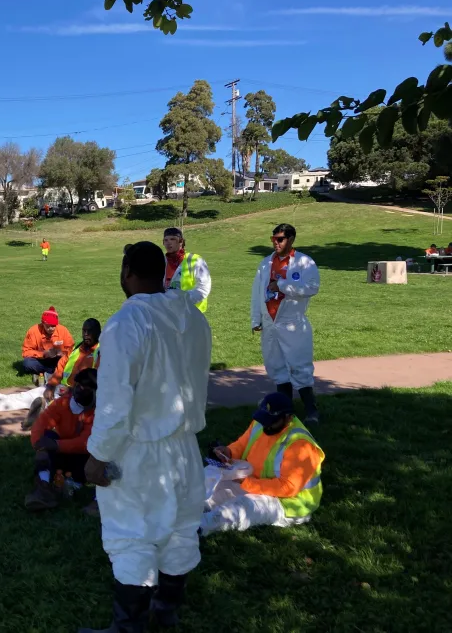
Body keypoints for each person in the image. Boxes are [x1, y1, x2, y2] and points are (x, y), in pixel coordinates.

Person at [79, 241, 211, 632]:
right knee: (180, 528)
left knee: (131, 534)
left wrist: (98, 455)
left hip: (139, 449)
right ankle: (165, 612)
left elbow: (115, 402)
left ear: (127, 273)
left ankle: (130, 626)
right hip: (185, 445)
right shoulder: (193, 316)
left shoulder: (127, 322)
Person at [202, 392, 325, 536]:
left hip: (289, 502)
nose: (266, 425)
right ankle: (191, 511)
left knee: (242, 508)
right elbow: (242, 444)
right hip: (256, 484)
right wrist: (228, 452)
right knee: (214, 487)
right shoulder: (261, 422)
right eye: (264, 419)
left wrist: (246, 483)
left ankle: (200, 527)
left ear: (288, 418)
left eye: (272, 421)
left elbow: (287, 487)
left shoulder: (300, 445)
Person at [251, 223, 321, 426]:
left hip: (292, 322)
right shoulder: (265, 263)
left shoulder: (304, 262)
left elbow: (312, 287)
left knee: (300, 366)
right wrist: (256, 319)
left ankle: (311, 410)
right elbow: (256, 292)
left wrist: (282, 285)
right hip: (269, 322)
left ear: (291, 239)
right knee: (276, 366)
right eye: (273, 239)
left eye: (280, 239)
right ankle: (285, 411)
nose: (276, 243)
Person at [0, 318, 101, 429]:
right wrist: (51, 386)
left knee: (60, 408)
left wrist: (72, 391)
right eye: (84, 331)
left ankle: (39, 420)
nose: (86, 334)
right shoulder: (76, 348)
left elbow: (96, 383)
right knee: (28, 396)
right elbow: (60, 368)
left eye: (89, 331)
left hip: (80, 397)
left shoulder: (101, 353)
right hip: (61, 388)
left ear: (98, 333)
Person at [24, 368, 98, 512]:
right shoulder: (63, 403)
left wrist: (57, 445)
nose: (80, 390)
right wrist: (39, 446)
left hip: (84, 459)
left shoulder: (99, 412)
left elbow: (85, 443)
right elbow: (40, 424)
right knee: (46, 437)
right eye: (79, 386)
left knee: (88, 455)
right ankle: (44, 487)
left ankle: (70, 486)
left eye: (86, 388)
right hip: (61, 452)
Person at [163, 227, 212, 312]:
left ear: (181, 241)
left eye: (172, 239)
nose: (168, 243)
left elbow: (203, 288)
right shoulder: (161, 261)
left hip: (190, 312)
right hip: (168, 311)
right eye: (165, 240)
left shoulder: (195, 260)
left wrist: (182, 301)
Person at [21, 306, 74, 385]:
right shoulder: (33, 331)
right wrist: (43, 354)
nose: (51, 328)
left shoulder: (63, 330)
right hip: (41, 360)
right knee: (27, 363)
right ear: (43, 323)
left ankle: (43, 373)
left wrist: (62, 353)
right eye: (48, 326)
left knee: (71, 362)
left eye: (53, 326)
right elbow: (26, 352)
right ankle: (53, 372)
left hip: (59, 360)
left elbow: (71, 348)